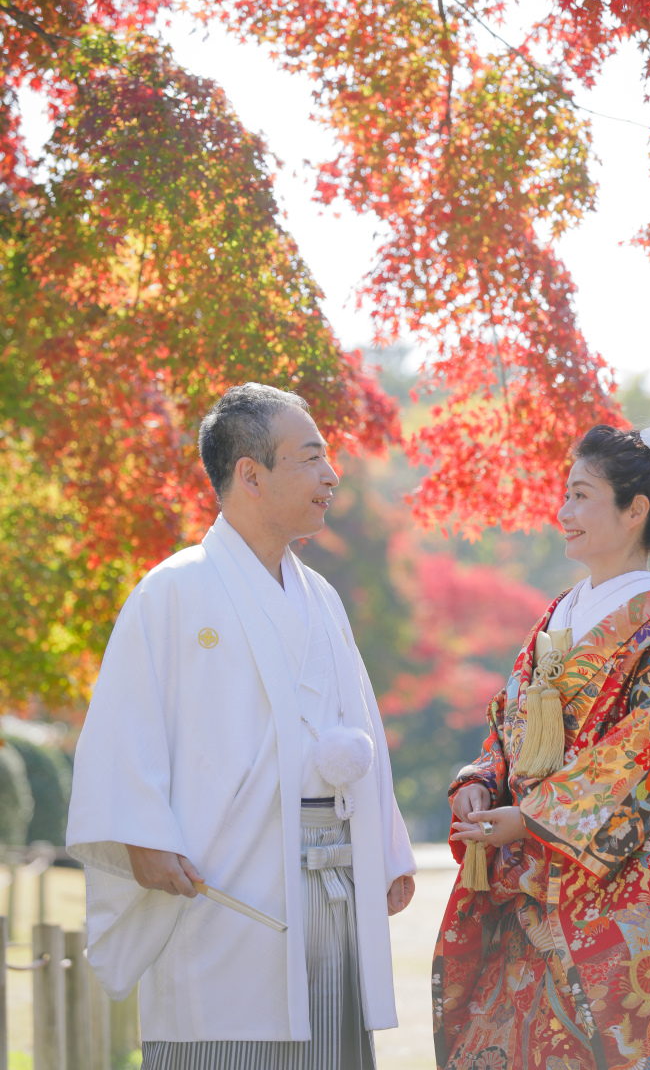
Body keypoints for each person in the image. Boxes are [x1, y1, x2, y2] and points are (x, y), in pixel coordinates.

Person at [67, 382, 416, 1070]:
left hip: (331, 872)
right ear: (250, 475)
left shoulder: (322, 598)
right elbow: (124, 729)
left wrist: (389, 847)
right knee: (225, 1032)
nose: (330, 474)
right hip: (224, 877)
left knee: (329, 1042)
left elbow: (358, 723)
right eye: (310, 458)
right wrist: (143, 837)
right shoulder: (172, 589)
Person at [433, 420, 650, 1070]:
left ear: (635, 511)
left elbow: (647, 756)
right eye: (564, 494)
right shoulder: (561, 613)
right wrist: (483, 781)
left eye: (580, 496)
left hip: (608, 887)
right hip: (534, 876)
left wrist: (535, 820)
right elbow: (511, 727)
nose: (563, 512)